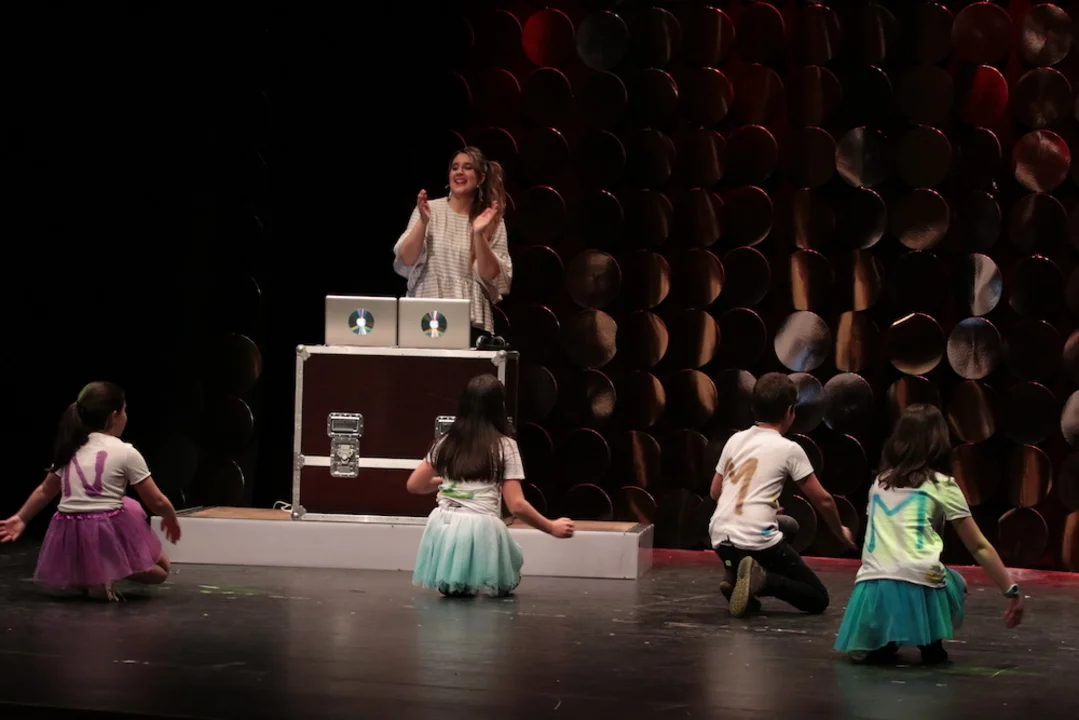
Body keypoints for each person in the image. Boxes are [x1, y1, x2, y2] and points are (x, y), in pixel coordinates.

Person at [834, 404, 1023, 664]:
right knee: (954, 581)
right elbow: (978, 546)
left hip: (873, 581)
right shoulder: (942, 485)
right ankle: (930, 640)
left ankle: (885, 640)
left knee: (899, 582)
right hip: (920, 577)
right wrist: (1011, 590)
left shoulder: (879, 483)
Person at [0, 382, 182, 602]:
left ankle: (94, 573)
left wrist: (21, 517)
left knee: (125, 504)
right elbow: (156, 500)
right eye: (125, 410)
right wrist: (170, 517)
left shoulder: (70, 448)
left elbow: (45, 490)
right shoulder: (126, 452)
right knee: (162, 570)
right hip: (104, 526)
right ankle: (107, 570)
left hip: (70, 532)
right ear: (115, 415)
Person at [406, 374, 574, 597]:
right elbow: (516, 505)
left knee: (456, 590)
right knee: (506, 577)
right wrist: (551, 527)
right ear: (499, 408)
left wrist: (449, 484)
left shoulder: (445, 442)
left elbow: (415, 485)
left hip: (442, 526)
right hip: (481, 528)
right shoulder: (505, 446)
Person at [709, 372, 857, 617]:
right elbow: (823, 500)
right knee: (817, 598)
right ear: (790, 411)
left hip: (720, 538)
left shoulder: (734, 440)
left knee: (788, 525)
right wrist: (839, 531)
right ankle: (763, 580)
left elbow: (715, 492)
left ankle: (734, 576)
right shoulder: (789, 449)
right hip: (754, 541)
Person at [393, 146, 512, 347]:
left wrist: (478, 234)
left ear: (481, 178)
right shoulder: (430, 210)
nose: (459, 172)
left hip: (469, 321)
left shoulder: (492, 221)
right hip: (424, 314)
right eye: (455, 167)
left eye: (467, 167)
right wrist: (423, 221)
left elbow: (491, 275)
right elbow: (406, 258)